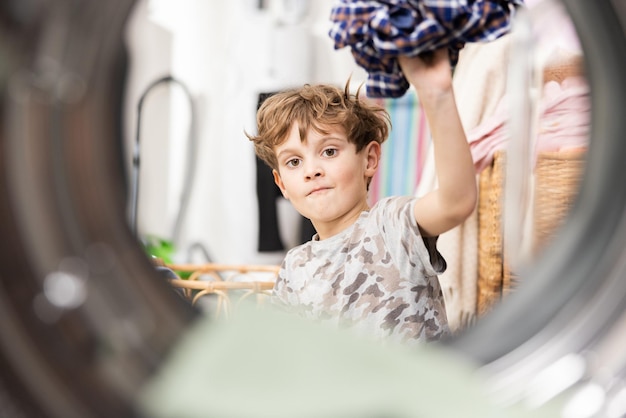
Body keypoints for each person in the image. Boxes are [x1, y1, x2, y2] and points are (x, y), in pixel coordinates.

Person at [247, 48, 477, 346]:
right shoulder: (294, 267)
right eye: (294, 162)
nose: (311, 171)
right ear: (282, 185)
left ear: (369, 160)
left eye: (328, 151)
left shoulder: (393, 225)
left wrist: (438, 95)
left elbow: (456, 202)